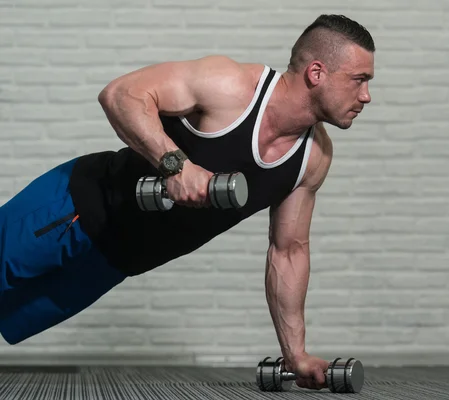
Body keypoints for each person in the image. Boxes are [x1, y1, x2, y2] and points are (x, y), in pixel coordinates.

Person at [0, 14, 374, 390]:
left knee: (10, 317)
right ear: (316, 72)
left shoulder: (313, 158)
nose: (366, 96)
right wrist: (175, 166)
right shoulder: (230, 86)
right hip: (74, 206)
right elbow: (121, 94)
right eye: (359, 80)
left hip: (115, 262)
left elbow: (288, 251)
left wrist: (295, 354)